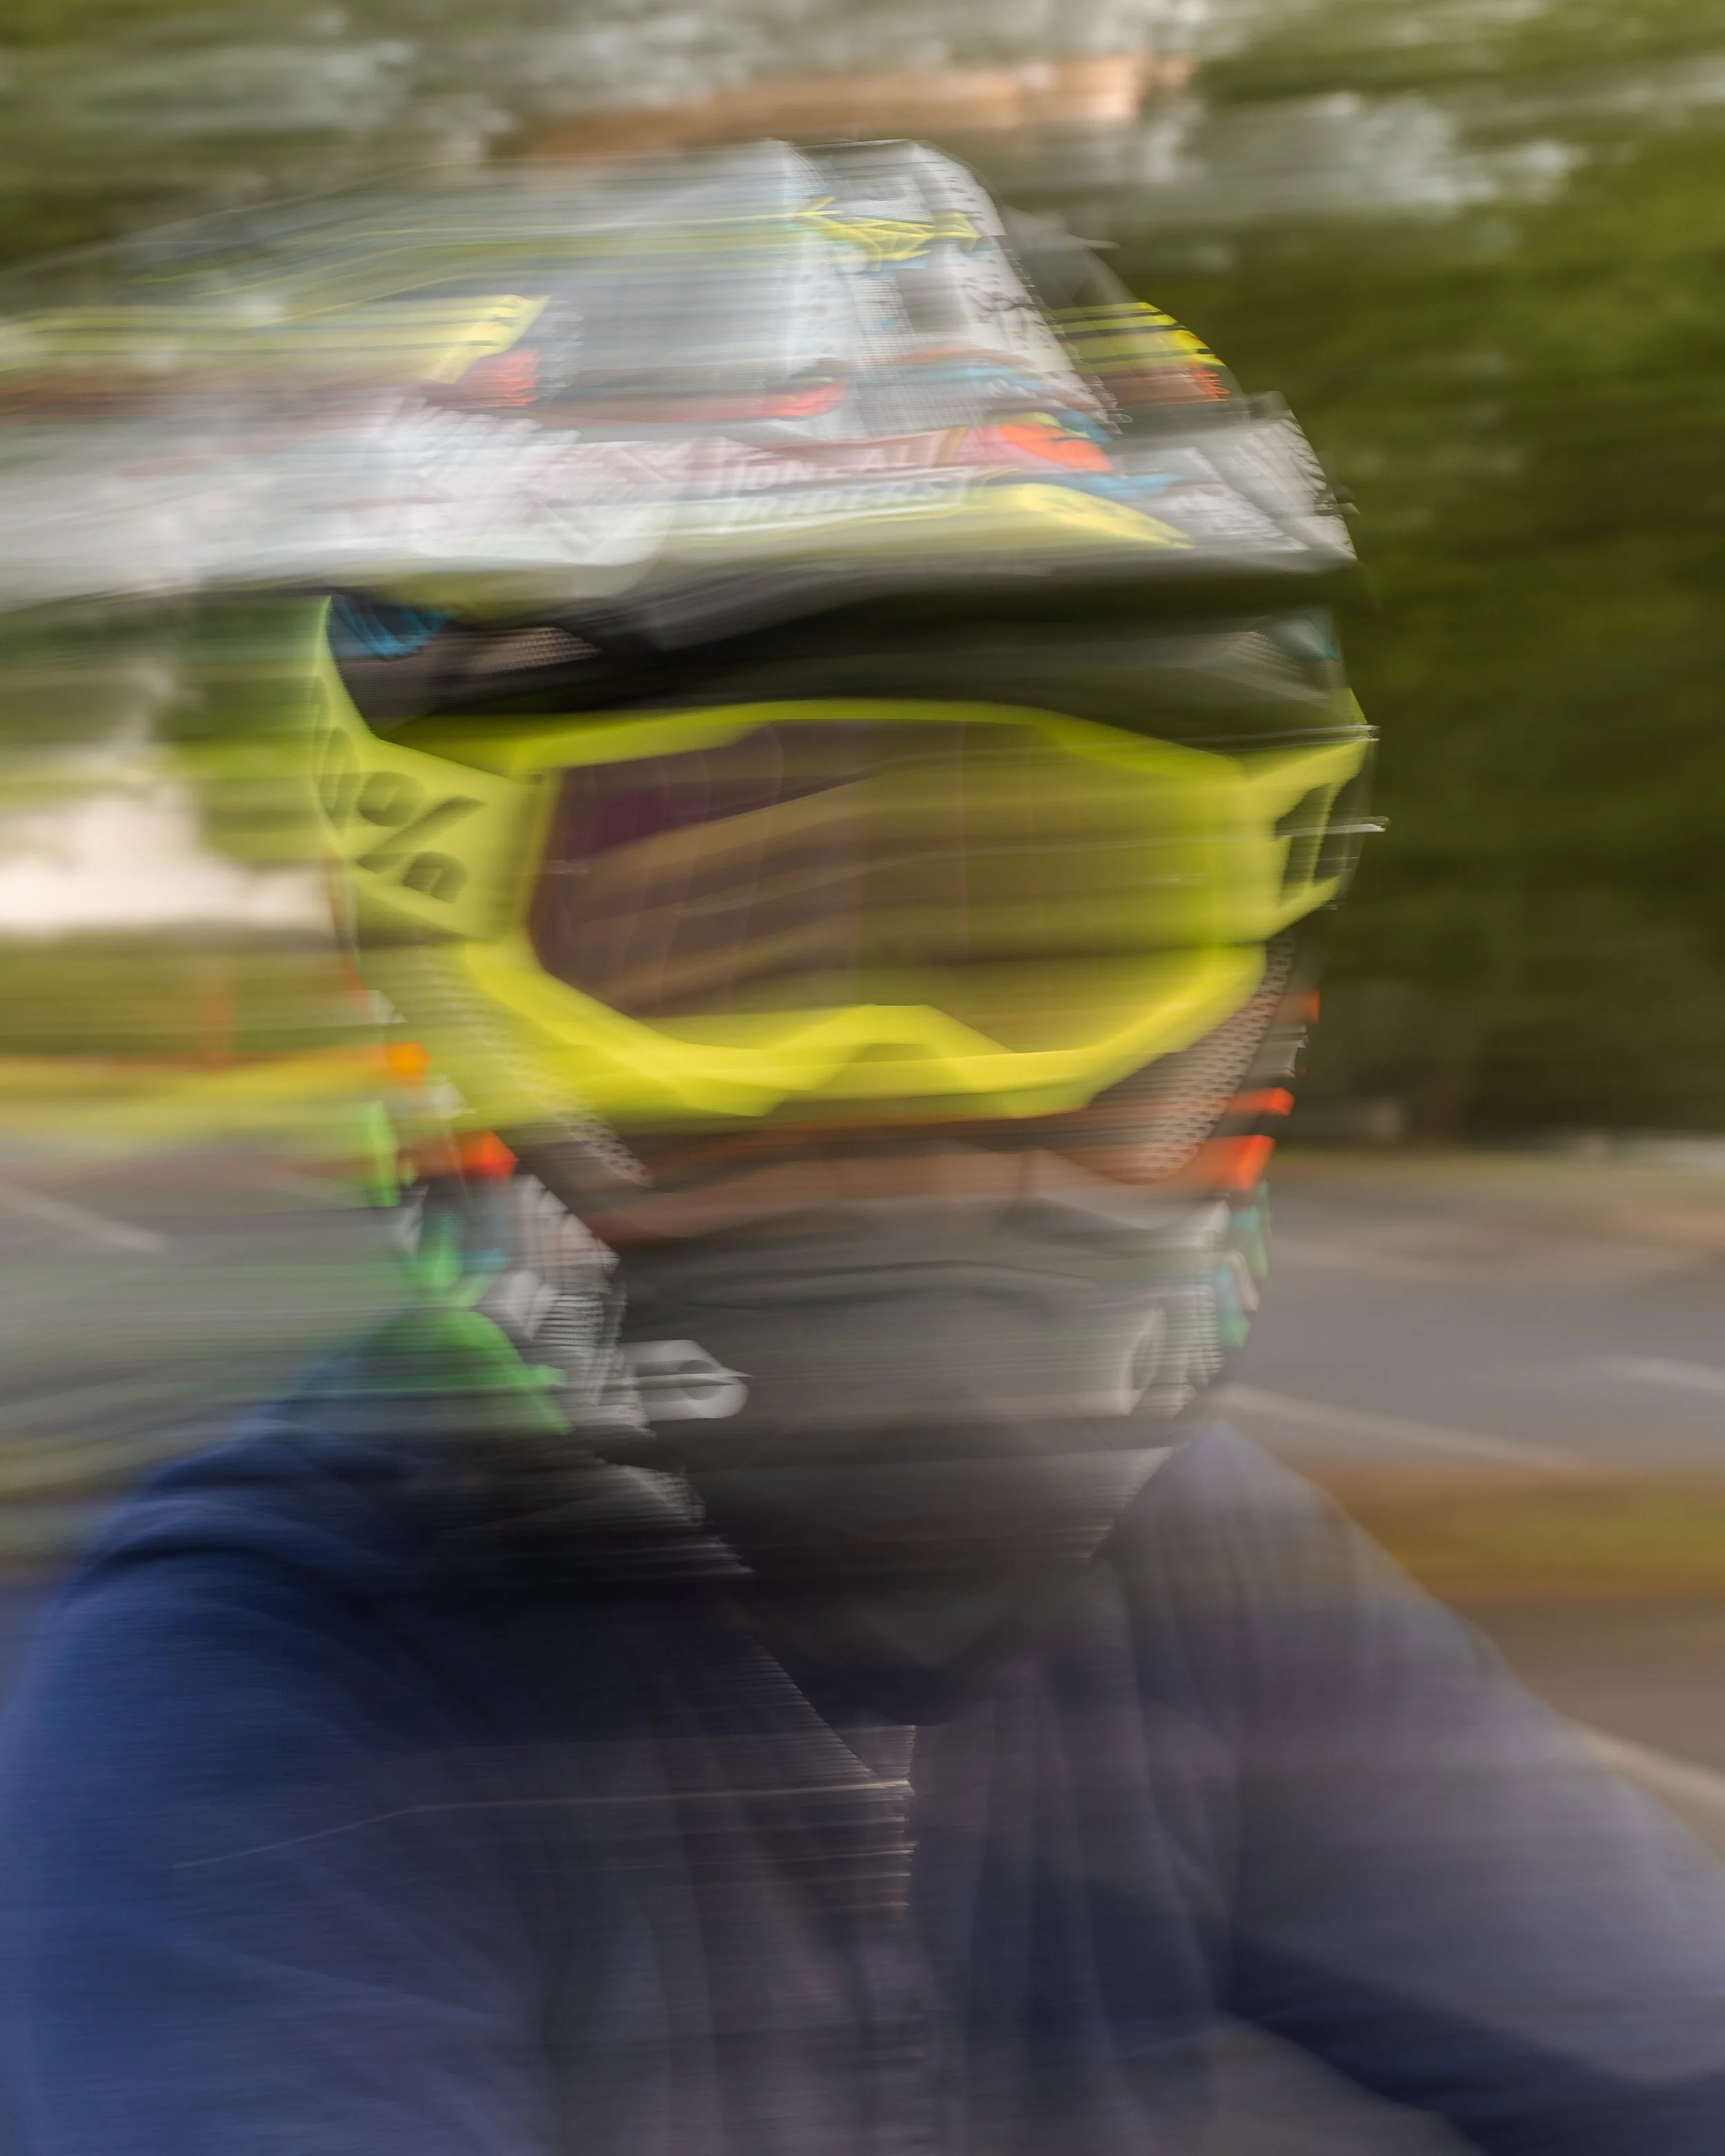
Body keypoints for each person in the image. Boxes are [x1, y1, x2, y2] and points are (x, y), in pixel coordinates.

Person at [5, 142, 1725, 2156]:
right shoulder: (253, 1689)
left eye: (1049, 927)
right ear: (434, 940)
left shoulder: (1202, 1575)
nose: (910, 1090)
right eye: (726, 938)